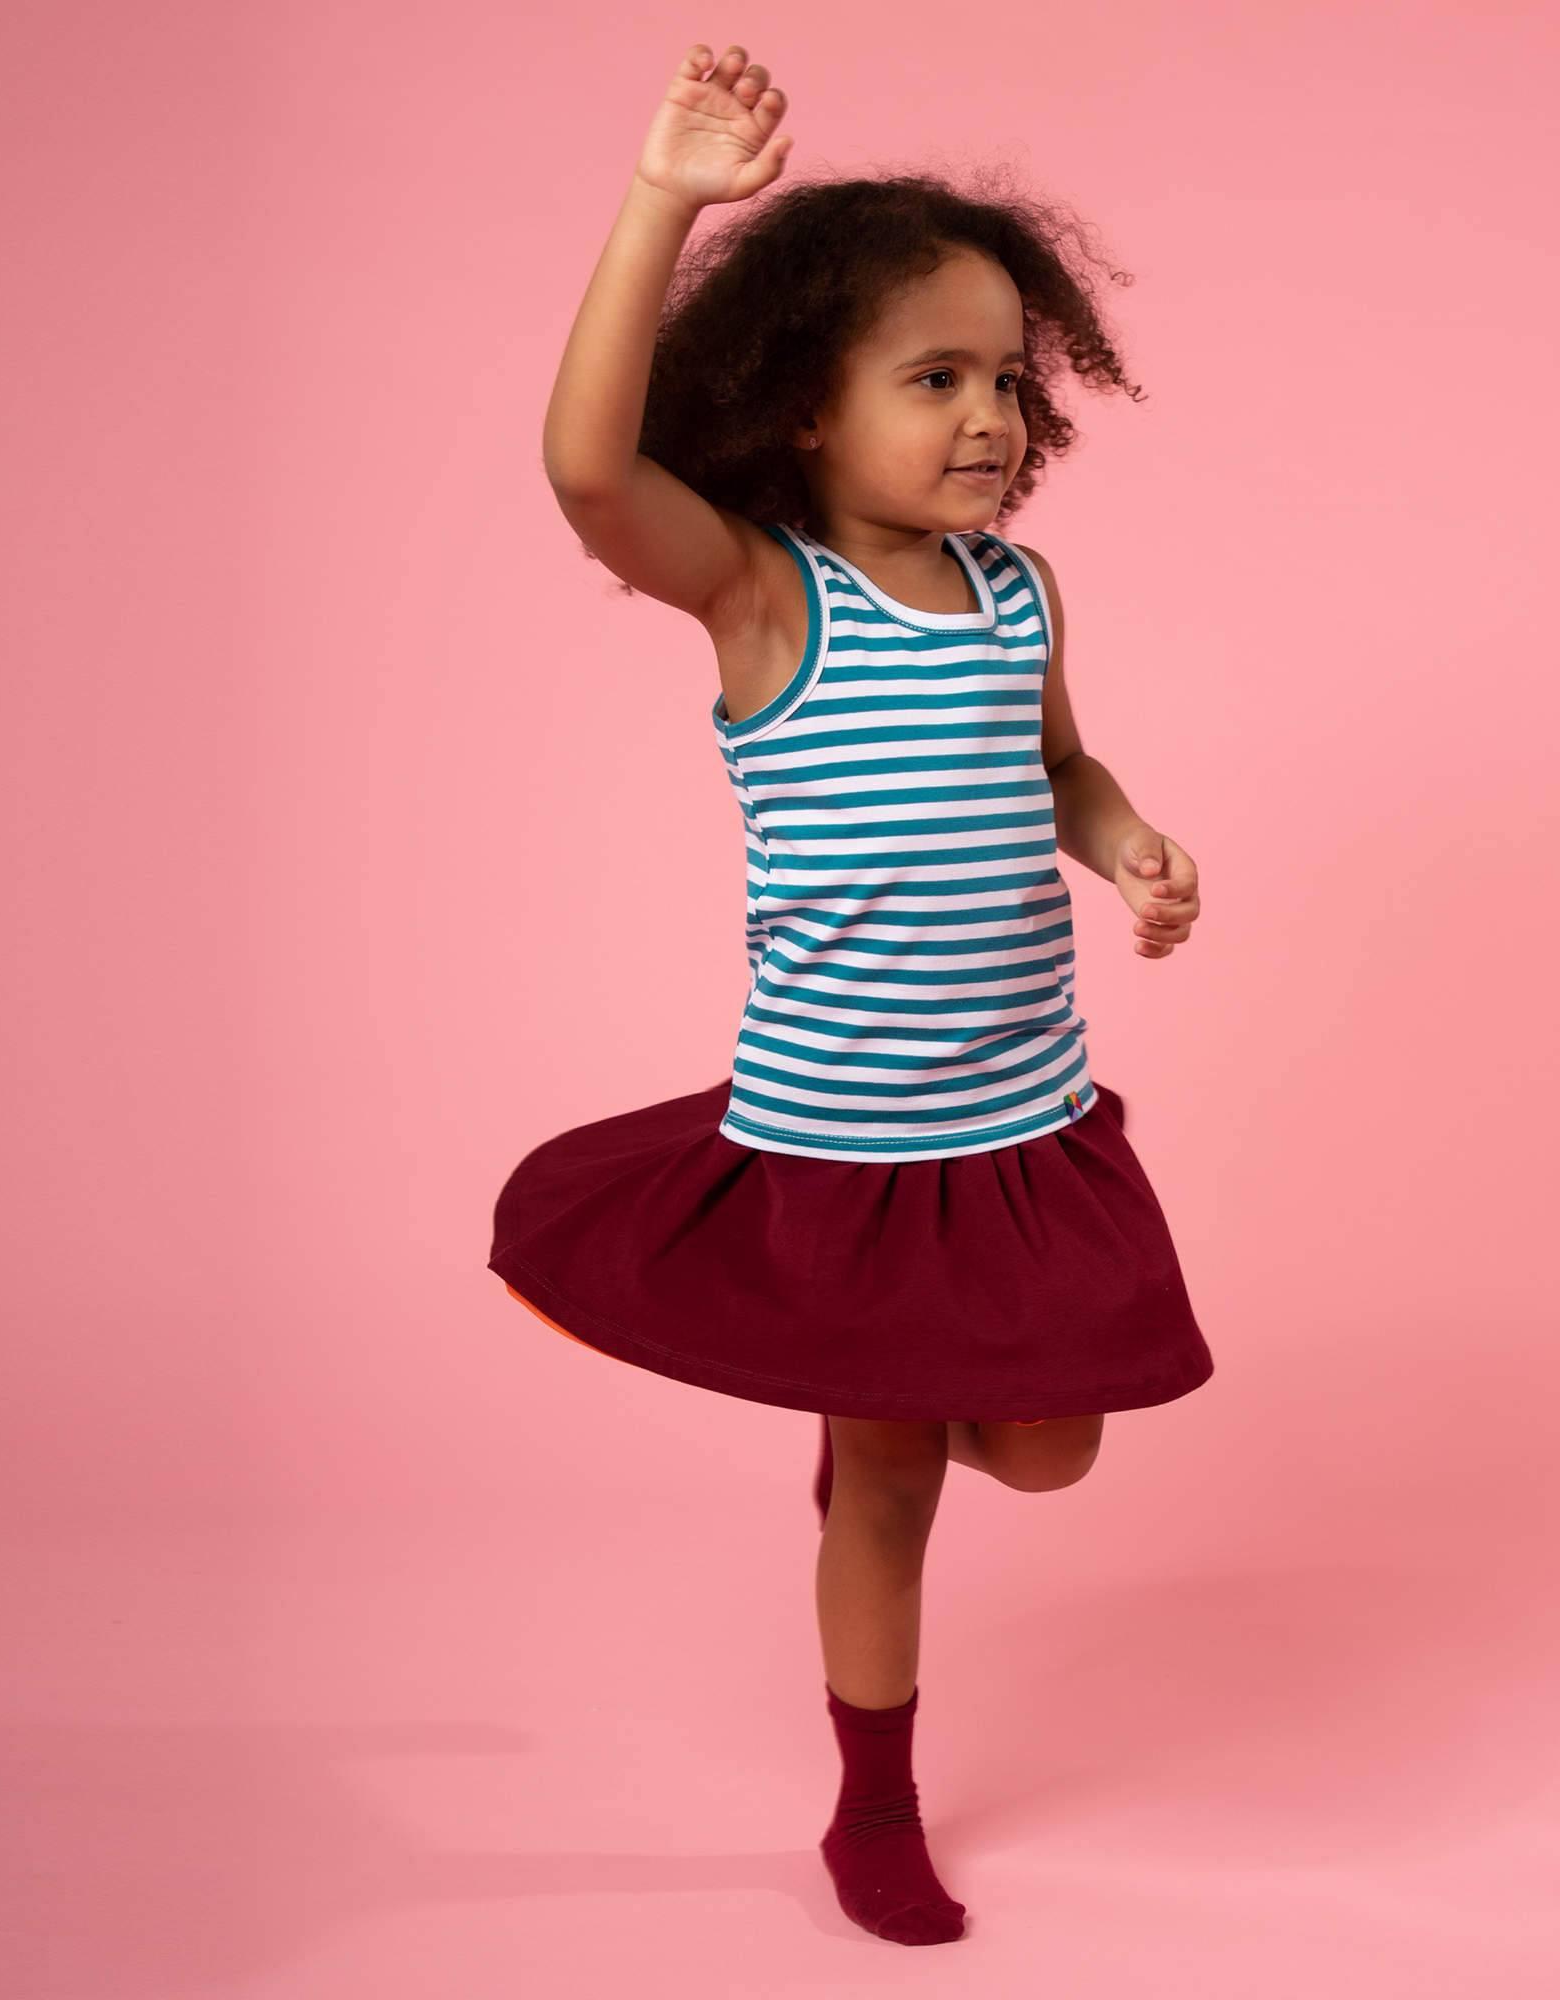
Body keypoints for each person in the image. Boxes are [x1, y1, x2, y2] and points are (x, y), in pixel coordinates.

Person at [487, 39, 1216, 1948]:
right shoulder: (762, 597)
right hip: (849, 1139)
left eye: (1004, 379)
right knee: (891, 1488)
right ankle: (871, 1805)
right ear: (805, 412)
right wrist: (665, 195)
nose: (985, 416)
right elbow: (583, 466)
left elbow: (1057, 768)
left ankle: (877, 1406)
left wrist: (1129, 839)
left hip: (1024, 1117)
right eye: (932, 378)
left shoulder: (1022, 592)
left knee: (1050, 1443)